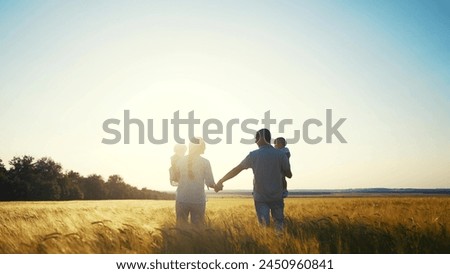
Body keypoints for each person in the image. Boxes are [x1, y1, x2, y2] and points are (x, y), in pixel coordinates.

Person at [215, 129, 292, 230]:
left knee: (263, 228)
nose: (255, 141)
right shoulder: (281, 154)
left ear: (261, 138)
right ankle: (281, 244)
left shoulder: (253, 155)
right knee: (279, 226)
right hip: (277, 197)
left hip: (260, 197)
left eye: (256, 138)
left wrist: (221, 180)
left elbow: (237, 169)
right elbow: (289, 174)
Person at [173, 137, 216, 226]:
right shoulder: (205, 162)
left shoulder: (180, 161)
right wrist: (217, 186)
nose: (205, 148)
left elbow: (174, 180)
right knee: (197, 229)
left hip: (182, 199)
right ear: (200, 147)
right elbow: (210, 183)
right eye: (204, 146)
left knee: (180, 228)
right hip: (198, 200)